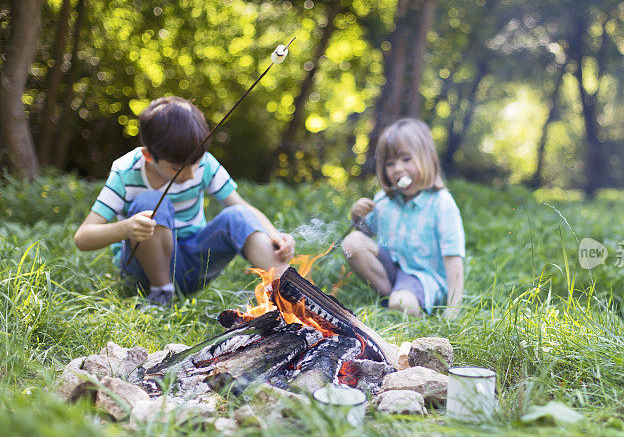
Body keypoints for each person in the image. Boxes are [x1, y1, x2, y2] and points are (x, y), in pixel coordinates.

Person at [74, 96, 295, 306]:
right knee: (151, 202)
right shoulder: (125, 172)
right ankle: (161, 294)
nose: (190, 175)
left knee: (238, 215)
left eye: (196, 164)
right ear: (148, 156)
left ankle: (293, 295)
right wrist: (127, 228)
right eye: (178, 168)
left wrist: (273, 236)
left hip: (192, 264)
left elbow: (243, 208)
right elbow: (82, 238)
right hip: (143, 271)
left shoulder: (204, 164)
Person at [342, 118, 465, 318]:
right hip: (391, 270)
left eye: (406, 159)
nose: (398, 168)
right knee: (352, 242)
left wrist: (453, 309)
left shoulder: (441, 203)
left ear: (427, 159)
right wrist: (357, 216)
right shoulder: (383, 200)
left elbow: (453, 258)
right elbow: (365, 233)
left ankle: (405, 300)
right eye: (390, 163)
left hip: (423, 278)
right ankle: (395, 296)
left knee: (401, 302)